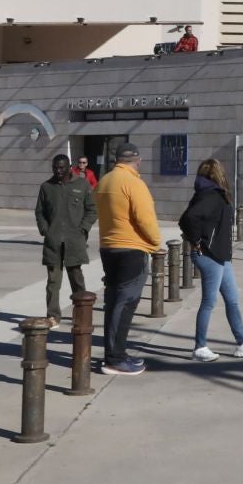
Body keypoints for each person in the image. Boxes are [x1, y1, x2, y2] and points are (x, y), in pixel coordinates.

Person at [180, 158, 243, 361]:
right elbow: (188, 219)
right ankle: (199, 348)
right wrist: (198, 242)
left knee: (232, 300)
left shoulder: (211, 194)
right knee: (209, 301)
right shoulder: (212, 196)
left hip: (220, 256)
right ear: (219, 174)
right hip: (210, 255)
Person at [93, 142, 161, 375]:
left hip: (108, 247)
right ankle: (115, 358)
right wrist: (154, 242)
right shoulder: (134, 183)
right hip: (131, 249)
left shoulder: (105, 181)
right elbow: (145, 219)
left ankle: (116, 353)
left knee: (113, 304)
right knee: (125, 305)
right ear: (137, 160)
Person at [35, 153, 95, 325]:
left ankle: (82, 313)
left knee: (77, 278)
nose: (57, 170)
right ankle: (53, 315)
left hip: (74, 241)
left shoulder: (82, 185)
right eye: (55, 167)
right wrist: (45, 229)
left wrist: (83, 229)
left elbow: (92, 210)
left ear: (69, 167)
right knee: (53, 282)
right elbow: (39, 212)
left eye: (61, 167)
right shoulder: (47, 187)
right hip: (53, 243)